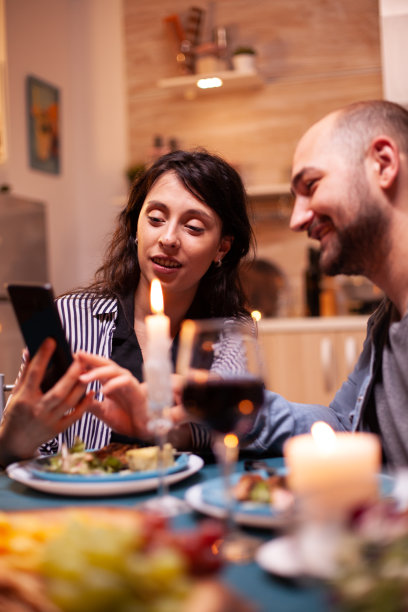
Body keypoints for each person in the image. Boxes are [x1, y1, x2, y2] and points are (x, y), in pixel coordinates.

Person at [0, 149, 254, 467]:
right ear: (136, 227)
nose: (169, 238)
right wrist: (13, 439)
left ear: (222, 248)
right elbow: (40, 450)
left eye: (193, 227)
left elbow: (236, 428)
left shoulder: (229, 332)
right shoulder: (70, 318)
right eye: (156, 219)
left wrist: (162, 428)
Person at [246, 99, 408, 468]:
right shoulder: (387, 321)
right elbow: (344, 427)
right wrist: (205, 415)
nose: (297, 219)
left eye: (311, 185)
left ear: (383, 163)